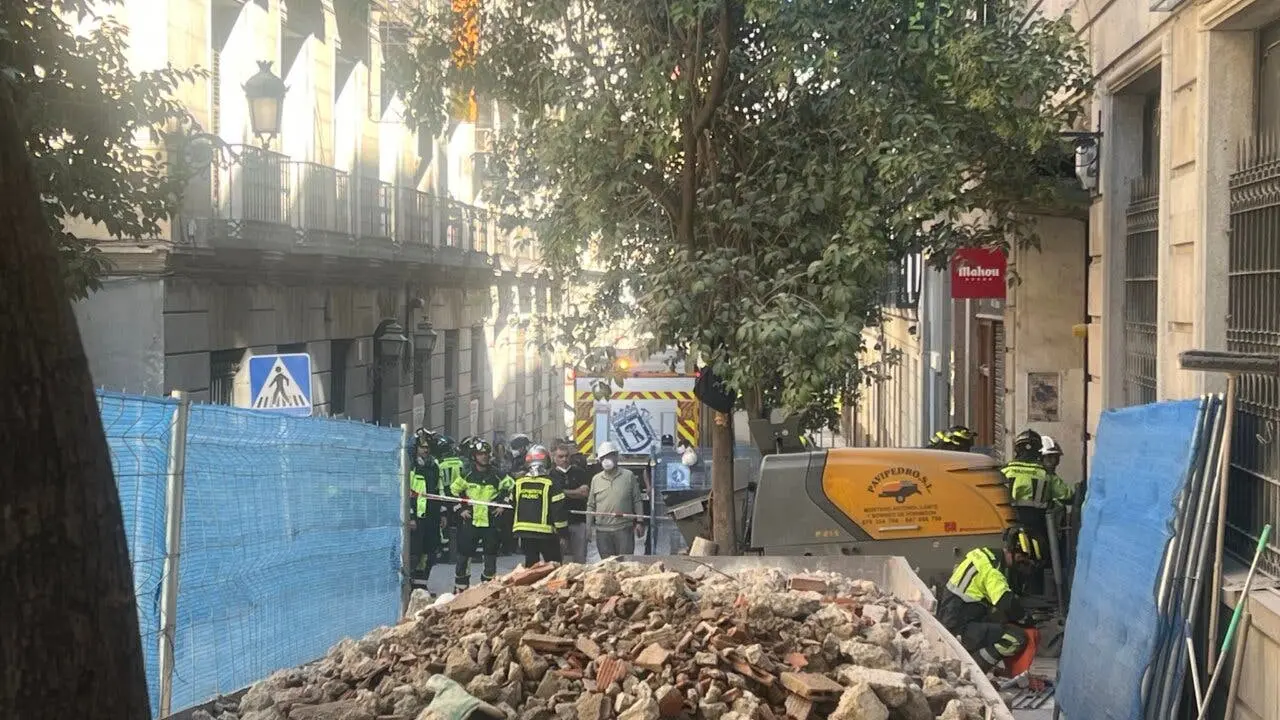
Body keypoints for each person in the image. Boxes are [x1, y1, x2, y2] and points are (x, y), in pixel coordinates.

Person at [936, 526, 1043, 673]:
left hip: (953, 619)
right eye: (1022, 560)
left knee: (1000, 623)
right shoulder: (993, 571)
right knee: (1016, 638)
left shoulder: (984, 556)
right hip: (959, 628)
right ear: (1013, 552)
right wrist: (1026, 618)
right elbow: (1006, 602)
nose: (1022, 566)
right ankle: (975, 669)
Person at [449, 439, 515, 592]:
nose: (484, 457)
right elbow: (452, 492)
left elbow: (511, 488)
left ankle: (487, 589)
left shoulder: (497, 474)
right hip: (470, 521)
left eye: (486, 453)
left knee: (490, 556)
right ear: (474, 456)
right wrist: (461, 510)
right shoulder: (467, 474)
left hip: (490, 522)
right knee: (464, 556)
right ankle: (461, 589)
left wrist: (502, 505)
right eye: (480, 454)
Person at [587, 441, 646, 558]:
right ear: (599, 460)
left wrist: (640, 522)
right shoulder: (596, 479)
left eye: (609, 456)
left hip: (624, 529)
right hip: (602, 531)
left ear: (616, 457)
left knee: (626, 564)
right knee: (607, 566)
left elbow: (637, 501)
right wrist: (588, 527)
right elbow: (591, 505)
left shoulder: (628, 476)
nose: (606, 460)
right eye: (603, 457)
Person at [512, 445, 568, 565]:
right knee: (554, 566)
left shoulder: (519, 483)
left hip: (524, 533)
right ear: (547, 461)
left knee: (531, 566)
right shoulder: (552, 483)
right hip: (546, 534)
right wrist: (563, 533)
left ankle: (531, 584)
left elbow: (513, 504)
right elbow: (558, 511)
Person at [408, 429, 443, 590]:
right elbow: (405, 492)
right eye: (422, 447)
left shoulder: (434, 466)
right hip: (417, 516)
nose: (426, 450)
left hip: (432, 515)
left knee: (430, 553)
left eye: (427, 447)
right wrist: (410, 515)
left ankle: (421, 586)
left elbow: (439, 489)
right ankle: (410, 586)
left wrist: (442, 513)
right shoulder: (411, 466)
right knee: (414, 553)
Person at [551, 442, 592, 563]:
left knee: (580, 559)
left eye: (566, 456)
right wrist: (576, 492)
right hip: (557, 524)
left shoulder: (580, 472)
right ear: (554, 458)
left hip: (578, 521)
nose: (564, 459)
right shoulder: (550, 475)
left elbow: (584, 493)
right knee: (559, 560)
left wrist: (562, 492)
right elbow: (552, 495)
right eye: (560, 456)